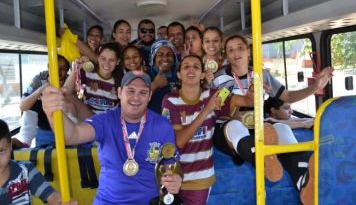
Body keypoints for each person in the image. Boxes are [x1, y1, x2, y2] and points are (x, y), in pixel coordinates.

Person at [212, 34, 333, 205]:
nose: (235, 52)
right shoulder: (218, 79)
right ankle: (262, 160)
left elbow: (288, 96)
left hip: (257, 125)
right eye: (230, 50)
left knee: (282, 129)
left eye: (240, 47)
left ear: (248, 51)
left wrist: (315, 87)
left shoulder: (261, 75)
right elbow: (211, 109)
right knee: (234, 126)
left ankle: (304, 180)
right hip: (227, 127)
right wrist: (232, 113)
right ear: (226, 55)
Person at [41, 71, 182, 204]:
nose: (136, 97)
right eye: (130, 91)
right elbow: (72, 136)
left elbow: (170, 167)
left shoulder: (163, 126)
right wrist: (52, 113)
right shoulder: (104, 120)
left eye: (143, 92)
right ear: (120, 93)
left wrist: (176, 180)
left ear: (150, 96)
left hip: (150, 202)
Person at [161, 54, 253, 205]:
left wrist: (252, 95)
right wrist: (206, 110)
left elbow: (243, 100)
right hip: (172, 175)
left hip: (200, 179)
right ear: (178, 74)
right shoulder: (170, 100)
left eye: (196, 66)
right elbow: (179, 141)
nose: (191, 70)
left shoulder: (213, 95)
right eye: (186, 67)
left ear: (203, 74)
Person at [0, 119, 76, 205]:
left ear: (10, 146)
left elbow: (51, 195)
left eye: (1, 150)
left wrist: (61, 201)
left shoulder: (25, 171)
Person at [18, 55, 70, 147]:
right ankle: (25, 143)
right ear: (49, 67)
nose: (58, 72)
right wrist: (44, 87)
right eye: (55, 67)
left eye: (63, 69)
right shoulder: (39, 79)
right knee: (31, 106)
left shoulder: (70, 81)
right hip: (44, 128)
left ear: (67, 71)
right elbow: (23, 106)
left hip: (64, 127)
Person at [64, 42, 122, 113]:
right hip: (88, 117)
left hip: (108, 120)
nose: (107, 63)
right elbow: (66, 92)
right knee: (68, 99)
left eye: (111, 60)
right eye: (103, 58)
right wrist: (76, 68)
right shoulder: (87, 73)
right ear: (98, 58)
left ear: (118, 61)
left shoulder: (121, 80)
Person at [149, 39, 179, 113]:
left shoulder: (179, 75)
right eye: (160, 55)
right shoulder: (145, 76)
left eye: (169, 54)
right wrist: (155, 85)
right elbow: (138, 101)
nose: (165, 58)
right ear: (154, 58)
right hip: (153, 122)